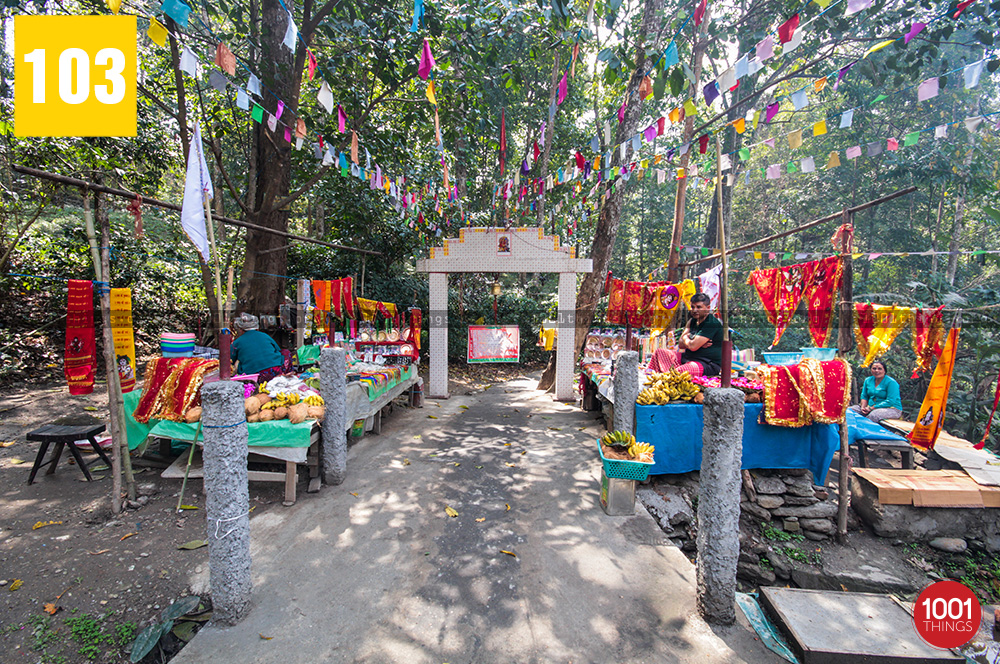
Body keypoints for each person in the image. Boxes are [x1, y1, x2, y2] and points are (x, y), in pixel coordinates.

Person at [647, 293, 724, 377]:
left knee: (680, 371)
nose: (694, 310)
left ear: (708, 308)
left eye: (699, 307)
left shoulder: (711, 323)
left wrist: (686, 338)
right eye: (693, 307)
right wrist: (693, 341)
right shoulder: (692, 321)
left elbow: (693, 346)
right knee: (660, 352)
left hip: (706, 364)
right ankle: (663, 374)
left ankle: (666, 375)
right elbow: (681, 344)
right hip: (688, 358)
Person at [230, 313, 289, 382]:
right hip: (275, 371)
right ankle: (287, 375)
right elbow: (278, 350)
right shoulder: (265, 336)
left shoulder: (237, 342)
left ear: (240, 330)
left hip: (253, 376)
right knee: (285, 352)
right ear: (257, 328)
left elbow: (229, 360)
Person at [849, 360, 902, 424]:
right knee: (850, 410)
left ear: (884, 370)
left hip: (891, 409)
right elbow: (864, 396)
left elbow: (890, 401)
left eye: (880, 369)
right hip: (870, 407)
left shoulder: (891, 382)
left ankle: (864, 432)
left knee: (873, 415)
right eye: (874, 368)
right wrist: (863, 407)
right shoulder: (868, 380)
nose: (877, 371)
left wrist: (872, 408)